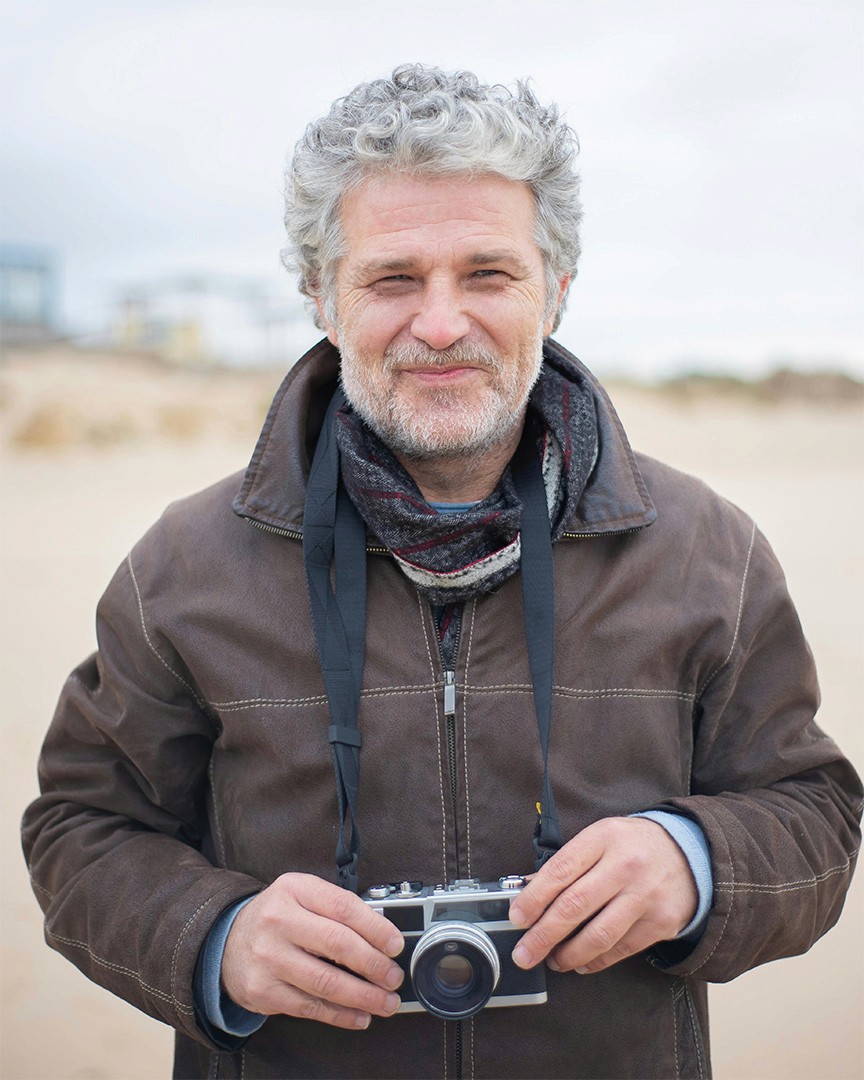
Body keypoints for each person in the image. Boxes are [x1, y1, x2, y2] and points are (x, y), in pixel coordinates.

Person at [22, 65, 861, 1080]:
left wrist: (695, 864)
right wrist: (215, 936)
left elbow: (814, 815)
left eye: (488, 274)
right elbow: (82, 830)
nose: (440, 323)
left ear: (556, 292)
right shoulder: (184, 567)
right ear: (321, 299)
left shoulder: (704, 550)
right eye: (393, 278)